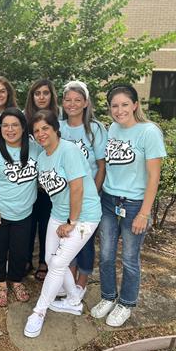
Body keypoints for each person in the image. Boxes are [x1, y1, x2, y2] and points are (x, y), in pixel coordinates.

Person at [90, 84, 166, 327]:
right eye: (114, 106)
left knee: (130, 258)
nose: (119, 110)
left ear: (135, 105)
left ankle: (126, 303)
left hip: (134, 205)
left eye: (124, 104)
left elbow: (154, 177)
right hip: (109, 202)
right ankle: (108, 297)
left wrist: (144, 213)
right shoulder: (111, 129)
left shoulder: (149, 132)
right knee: (106, 255)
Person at [24, 110, 101, 338]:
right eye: (36, 131)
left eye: (45, 128)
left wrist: (72, 222)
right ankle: (74, 300)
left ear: (55, 129)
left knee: (57, 263)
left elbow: (77, 187)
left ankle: (38, 312)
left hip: (84, 216)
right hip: (58, 214)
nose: (40, 134)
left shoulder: (69, 150)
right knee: (50, 259)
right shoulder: (42, 157)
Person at [0, 108, 40, 307]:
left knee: (20, 250)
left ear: (23, 127)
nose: (10, 129)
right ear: (0, 129)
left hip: (24, 212)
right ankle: (0, 283)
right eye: (5, 125)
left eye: (15, 124)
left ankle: (15, 280)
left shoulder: (34, 148)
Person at [60, 80, 107, 300]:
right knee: (66, 238)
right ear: (62, 102)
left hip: (88, 196)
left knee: (85, 239)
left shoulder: (95, 128)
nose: (72, 104)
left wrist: (94, 193)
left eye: (77, 100)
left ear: (86, 103)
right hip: (64, 196)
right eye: (68, 100)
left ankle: (82, 280)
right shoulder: (59, 128)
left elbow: (101, 165)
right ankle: (68, 276)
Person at [23, 79, 59, 281]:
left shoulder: (58, 119)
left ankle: (44, 262)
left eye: (46, 92)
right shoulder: (23, 117)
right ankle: (26, 259)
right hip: (27, 181)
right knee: (27, 223)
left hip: (50, 184)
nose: (42, 97)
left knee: (46, 224)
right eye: (37, 93)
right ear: (32, 97)